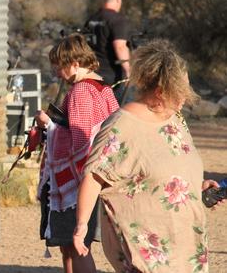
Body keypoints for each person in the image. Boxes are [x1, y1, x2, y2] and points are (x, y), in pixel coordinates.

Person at [73, 39, 219, 272]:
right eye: (179, 95)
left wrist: (196, 186)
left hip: (185, 248)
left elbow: (168, 167)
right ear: (160, 92)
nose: (183, 102)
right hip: (149, 254)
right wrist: (81, 227)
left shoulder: (175, 120)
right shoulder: (122, 126)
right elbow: (94, 175)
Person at [34, 34, 119, 273]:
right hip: (97, 176)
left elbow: (80, 142)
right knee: (71, 246)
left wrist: (48, 125)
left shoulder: (81, 91)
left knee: (76, 244)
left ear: (74, 63)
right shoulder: (104, 88)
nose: (57, 73)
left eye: (59, 66)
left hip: (76, 184)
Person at [85, 0, 131, 100]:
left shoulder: (91, 19)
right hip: (111, 78)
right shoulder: (117, 20)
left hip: (91, 74)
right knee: (115, 114)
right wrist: (128, 70)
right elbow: (120, 47)